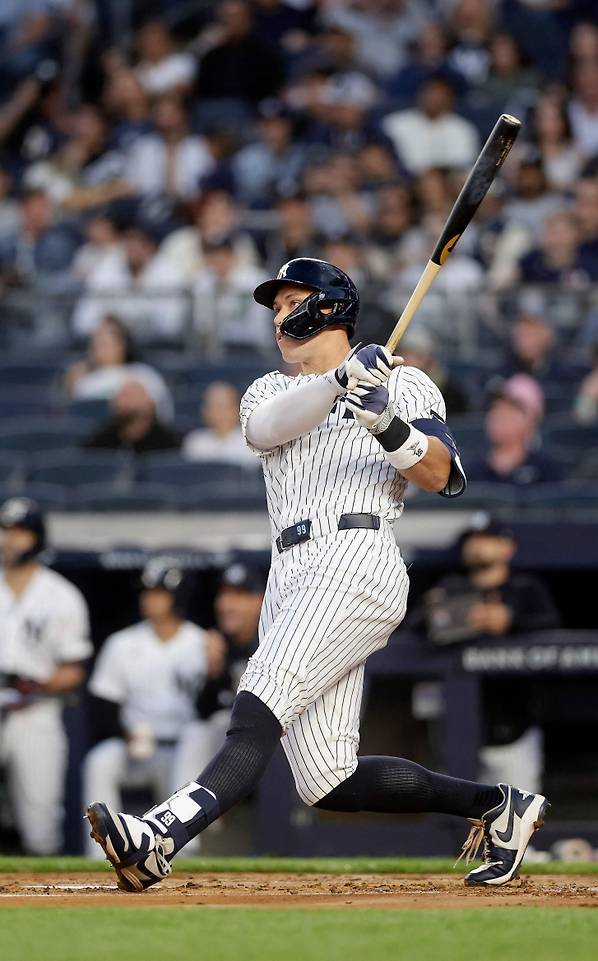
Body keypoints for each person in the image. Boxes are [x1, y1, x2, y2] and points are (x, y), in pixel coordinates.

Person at [86, 256, 549, 892]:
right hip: (290, 571)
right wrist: (339, 385)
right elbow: (266, 429)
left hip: (357, 557)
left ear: (326, 306)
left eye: (287, 303)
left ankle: (160, 835)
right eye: (274, 306)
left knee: (260, 699)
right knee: (327, 780)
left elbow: (442, 474)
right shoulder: (270, 390)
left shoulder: (407, 384)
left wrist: (387, 424)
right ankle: (498, 806)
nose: (277, 317)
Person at [421, 514, 560, 791]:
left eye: (486, 539)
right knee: (455, 820)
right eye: (472, 540)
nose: (476, 546)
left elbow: (552, 628)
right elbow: (414, 626)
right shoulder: (450, 587)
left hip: (514, 723)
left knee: (518, 814)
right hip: (455, 725)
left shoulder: (524, 589)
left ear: (507, 547)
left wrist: (510, 620)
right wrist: (460, 619)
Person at [83, 561, 208, 855]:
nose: (150, 598)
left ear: (178, 597)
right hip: (136, 749)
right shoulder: (122, 643)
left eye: (159, 592)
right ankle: (100, 852)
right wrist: (122, 734)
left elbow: (211, 709)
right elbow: (102, 706)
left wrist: (215, 672)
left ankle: (184, 855)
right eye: (148, 592)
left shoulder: (202, 643)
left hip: (181, 752)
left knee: (187, 762)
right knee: (100, 760)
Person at [0, 498, 91, 853]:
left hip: (34, 708)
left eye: (19, 532)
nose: (10, 540)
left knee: (40, 824)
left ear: (37, 538)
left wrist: (37, 683)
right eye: (5, 531)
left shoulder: (61, 595)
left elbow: (73, 670)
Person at [171, 561, 265, 822]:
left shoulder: (273, 639)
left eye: (239, 595)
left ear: (260, 601)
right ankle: (183, 830)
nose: (227, 604)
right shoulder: (221, 644)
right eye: (224, 595)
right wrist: (214, 673)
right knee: (198, 732)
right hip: (242, 746)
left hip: (283, 742)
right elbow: (203, 712)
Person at [65, 315, 174, 422]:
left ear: (123, 344)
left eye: (107, 343)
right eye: (96, 343)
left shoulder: (144, 374)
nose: (100, 349)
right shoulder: (85, 382)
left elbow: (163, 414)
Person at [467, 374, 562, 486]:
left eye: (511, 410)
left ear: (531, 420)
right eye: (495, 408)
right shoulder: (472, 470)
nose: (500, 414)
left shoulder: (545, 468)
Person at [381, 74, 480, 174]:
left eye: (441, 95)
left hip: (452, 181)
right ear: (420, 94)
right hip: (407, 180)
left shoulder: (463, 128)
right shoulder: (395, 123)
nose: (434, 99)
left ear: (450, 99)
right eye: (431, 93)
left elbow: (463, 164)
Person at [83, 380, 180, 454]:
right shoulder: (102, 440)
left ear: (149, 404)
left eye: (128, 396)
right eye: (119, 397)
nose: (120, 402)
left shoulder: (167, 443)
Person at [182, 382, 259, 466]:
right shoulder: (194, 442)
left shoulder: (252, 443)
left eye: (226, 407)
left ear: (238, 410)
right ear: (205, 411)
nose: (221, 413)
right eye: (215, 407)